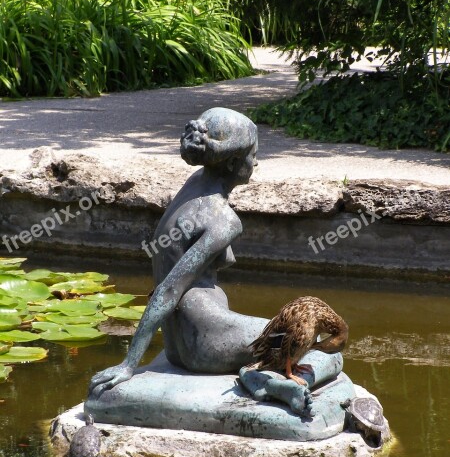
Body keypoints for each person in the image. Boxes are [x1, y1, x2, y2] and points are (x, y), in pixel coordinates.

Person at [89, 107, 343, 411]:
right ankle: (270, 382)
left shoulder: (194, 185)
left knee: (276, 344)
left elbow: (165, 287)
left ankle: (257, 377)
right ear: (235, 162)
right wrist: (129, 364)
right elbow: (169, 290)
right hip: (205, 341)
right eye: (254, 154)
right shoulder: (223, 220)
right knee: (324, 351)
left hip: (176, 347)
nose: (257, 162)